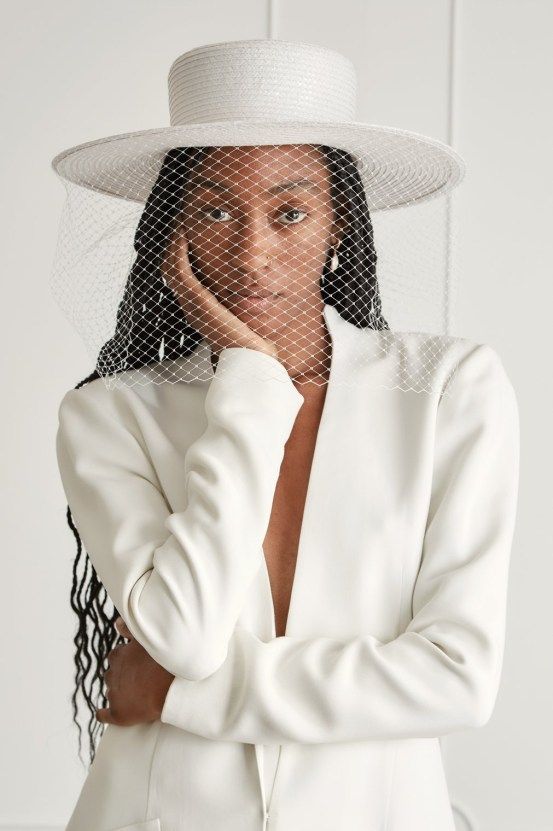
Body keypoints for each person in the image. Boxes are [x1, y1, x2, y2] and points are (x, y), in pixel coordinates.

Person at [51, 39, 520, 831]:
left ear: (340, 223)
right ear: (174, 234)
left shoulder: (445, 391)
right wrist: (254, 386)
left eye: (289, 210)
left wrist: (175, 693)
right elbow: (186, 633)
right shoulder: (108, 414)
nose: (251, 251)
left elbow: (456, 678)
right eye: (214, 209)